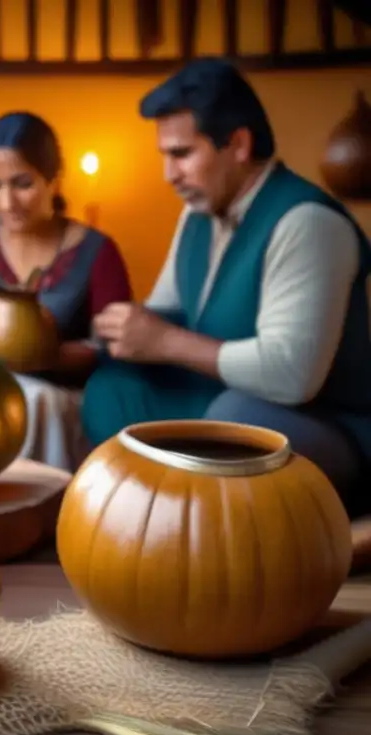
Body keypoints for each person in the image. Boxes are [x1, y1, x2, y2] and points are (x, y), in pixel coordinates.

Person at [83, 57, 371, 506]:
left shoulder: (307, 223)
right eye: (165, 156)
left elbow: (292, 375)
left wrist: (163, 342)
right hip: (220, 402)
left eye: (181, 154)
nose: (169, 175)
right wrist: (107, 337)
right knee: (113, 388)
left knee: (235, 420)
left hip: (322, 426)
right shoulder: (197, 215)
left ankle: (177, 518)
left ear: (237, 144)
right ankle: (147, 519)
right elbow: (165, 316)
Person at [0, 111, 133, 471]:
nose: (7, 202)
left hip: (59, 407)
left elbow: (118, 350)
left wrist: (45, 355)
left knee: (35, 400)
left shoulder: (97, 252)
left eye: (22, 184)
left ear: (55, 179)